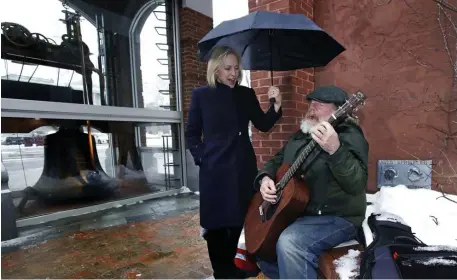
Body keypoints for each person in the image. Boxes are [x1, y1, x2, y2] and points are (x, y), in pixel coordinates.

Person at [186, 46, 283, 279]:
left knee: (239, 219)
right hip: (214, 170)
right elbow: (191, 133)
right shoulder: (201, 95)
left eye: (236, 68)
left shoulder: (245, 94)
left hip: (242, 168)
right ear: (215, 69)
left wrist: (276, 105)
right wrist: (202, 158)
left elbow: (263, 124)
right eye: (227, 68)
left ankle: (234, 269)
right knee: (217, 225)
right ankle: (221, 272)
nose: (233, 73)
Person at [254, 85, 369, 279]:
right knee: (262, 245)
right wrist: (265, 178)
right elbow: (276, 160)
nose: (312, 106)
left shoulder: (349, 135)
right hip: (301, 213)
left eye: (320, 103)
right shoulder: (301, 135)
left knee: (290, 243)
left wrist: (335, 150)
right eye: (311, 102)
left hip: (337, 216)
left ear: (339, 109)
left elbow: (356, 183)